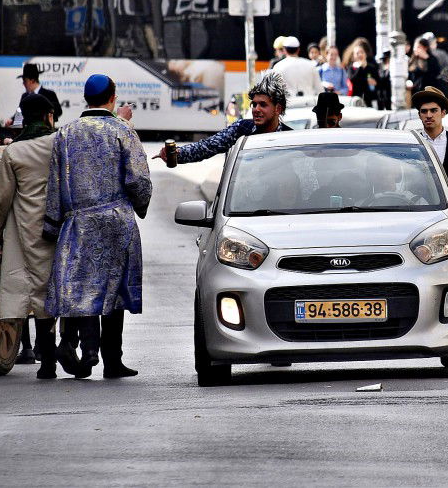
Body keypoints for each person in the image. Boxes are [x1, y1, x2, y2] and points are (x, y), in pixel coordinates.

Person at [44, 74, 152, 379]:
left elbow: (55, 183)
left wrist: (53, 226)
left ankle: (89, 350)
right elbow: (139, 180)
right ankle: (112, 360)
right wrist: (139, 206)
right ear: (113, 97)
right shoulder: (122, 131)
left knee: (84, 286)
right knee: (114, 290)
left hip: (79, 222)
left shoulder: (65, 134)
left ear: (86, 98)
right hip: (116, 221)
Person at [0, 94, 60, 379]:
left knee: (32, 295)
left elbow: (1, 200)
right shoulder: (59, 144)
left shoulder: (13, 153)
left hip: (24, 231)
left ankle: (47, 363)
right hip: (58, 228)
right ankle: (67, 349)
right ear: (47, 116)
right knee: (55, 291)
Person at [159, 74, 292, 165]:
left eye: (263, 105)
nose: (256, 109)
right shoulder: (242, 128)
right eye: (254, 104)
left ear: (278, 109)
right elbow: (208, 146)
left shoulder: (290, 138)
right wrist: (178, 154)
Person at [411, 86, 448, 204]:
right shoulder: (413, 141)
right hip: (419, 210)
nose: (428, 115)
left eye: (434, 110)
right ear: (419, 115)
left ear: (443, 113)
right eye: (424, 111)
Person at [5, 63, 63, 130]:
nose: (23, 84)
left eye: (25, 81)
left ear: (32, 81)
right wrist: (11, 120)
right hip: (27, 134)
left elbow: (58, 111)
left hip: (45, 133)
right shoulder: (25, 96)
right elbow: (19, 114)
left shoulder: (49, 94)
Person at [347, 42, 380, 108]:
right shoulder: (352, 67)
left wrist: (375, 82)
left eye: (362, 52)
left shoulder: (372, 67)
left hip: (371, 100)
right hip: (356, 100)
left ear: (365, 54)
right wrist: (360, 67)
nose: (360, 55)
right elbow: (353, 79)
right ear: (354, 56)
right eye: (357, 53)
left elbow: (378, 81)